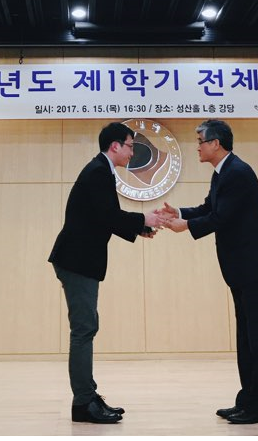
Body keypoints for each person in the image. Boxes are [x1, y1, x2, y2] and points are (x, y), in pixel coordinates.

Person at [159, 119, 258, 425]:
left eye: (200, 141)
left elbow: (221, 218)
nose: (197, 147)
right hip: (242, 268)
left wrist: (186, 226)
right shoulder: (223, 173)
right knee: (246, 338)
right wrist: (180, 213)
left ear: (216, 143)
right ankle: (248, 400)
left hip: (256, 266)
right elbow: (209, 208)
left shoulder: (237, 172)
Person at [48, 122, 164, 424]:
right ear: (115, 146)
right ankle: (83, 403)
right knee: (83, 330)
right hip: (77, 261)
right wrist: (143, 218)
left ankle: (87, 397)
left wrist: (140, 228)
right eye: (130, 146)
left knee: (87, 328)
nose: (132, 152)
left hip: (79, 261)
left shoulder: (101, 170)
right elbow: (108, 215)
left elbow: (103, 218)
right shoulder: (98, 171)